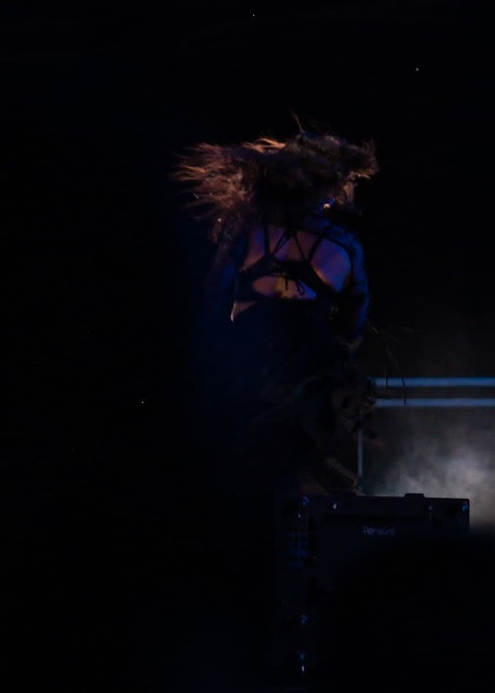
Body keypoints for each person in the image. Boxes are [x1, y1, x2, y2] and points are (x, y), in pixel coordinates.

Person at [171, 123, 379, 686]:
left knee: (247, 497)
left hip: (251, 378)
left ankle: (253, 618)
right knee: (298, 496)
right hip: (303, 383)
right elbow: (351, 327)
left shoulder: (247, 233)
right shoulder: (340, 245)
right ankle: (297, 619)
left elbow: (213, 308)